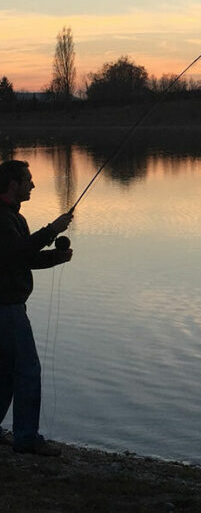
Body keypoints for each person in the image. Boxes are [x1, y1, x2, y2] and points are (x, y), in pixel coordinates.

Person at [0, 159, 73, 456]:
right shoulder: (2, 219)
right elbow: (18, 252)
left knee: (5, 371)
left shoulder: (13, 218)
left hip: (9, 306)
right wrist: (52, 230)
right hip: (6, 307)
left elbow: (23, 259)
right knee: (28, 369)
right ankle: (26, 438)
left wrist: (57, 257)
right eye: (27, 179)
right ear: (12, 184)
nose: (33, 184)